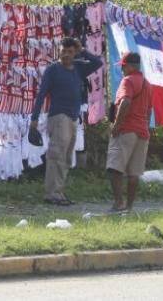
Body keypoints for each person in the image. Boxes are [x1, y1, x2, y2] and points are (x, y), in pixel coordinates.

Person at [30, 37, 103, 205]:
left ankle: (59, 192)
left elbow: (97, 63)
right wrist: (34, 119)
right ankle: (51, 194)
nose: (66, 55)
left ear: (74, 53)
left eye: (70, 52)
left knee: (67, 157)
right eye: (63, 51)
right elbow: (41, 94)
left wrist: (82, 50)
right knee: (56, 155)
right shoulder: (53, 70)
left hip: (72, 117)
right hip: (59, 116)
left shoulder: (78, 68)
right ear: (59, 51)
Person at [107, 50, 153, 213]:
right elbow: (149, 110)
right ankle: (129, 207)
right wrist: (145, 127)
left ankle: (119, 203)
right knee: (134, 173)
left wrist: (116, 126)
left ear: (130, 66)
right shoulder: (147, 84)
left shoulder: (127, 81)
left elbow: (125, 103)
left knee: (114, 168)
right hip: (142, 132)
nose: (121, 70)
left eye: (123, 66)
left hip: (126, 130)